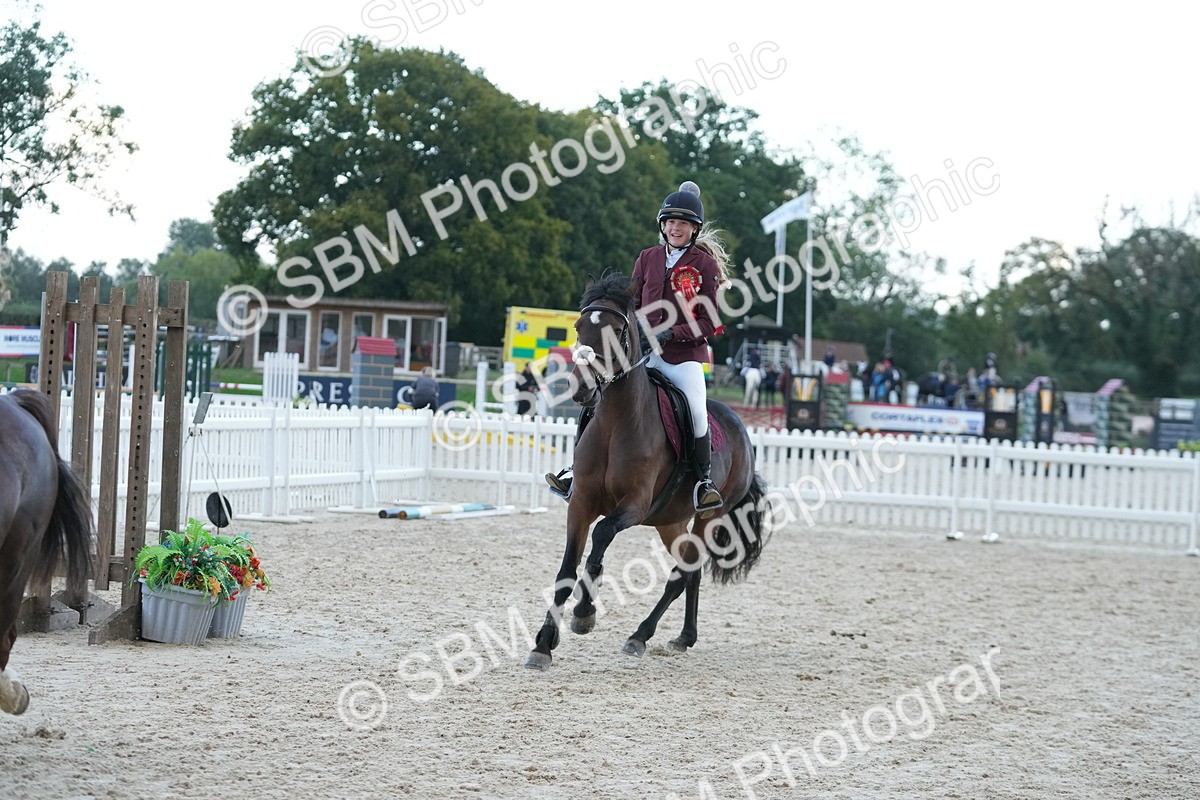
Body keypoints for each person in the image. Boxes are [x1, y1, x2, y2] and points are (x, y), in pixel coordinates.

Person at [545, 180, 730, 513]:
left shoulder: (704, 266)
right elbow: (631, 304)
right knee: (600, 398)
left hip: (684, 357)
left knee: (696, 411)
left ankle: (703, 481)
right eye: (671, 222)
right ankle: (577, 471)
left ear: (693, 229)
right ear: (663, 225)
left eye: (683, 223)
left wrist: (672, 333)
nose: (676, 228)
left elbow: (709, 322)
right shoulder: (647, 258)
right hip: (643, 354)